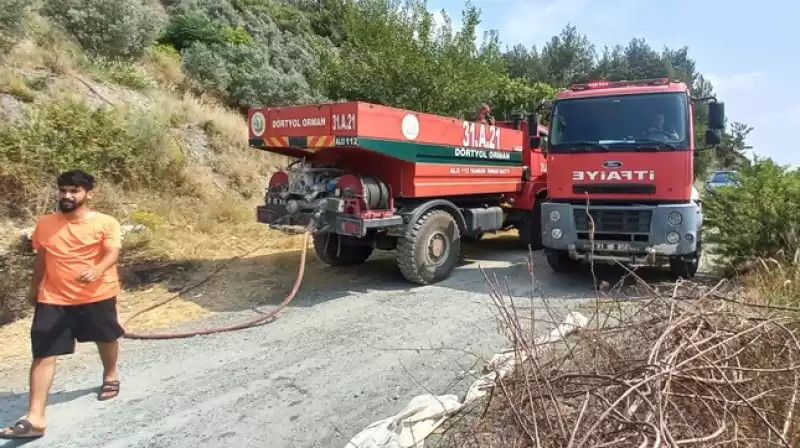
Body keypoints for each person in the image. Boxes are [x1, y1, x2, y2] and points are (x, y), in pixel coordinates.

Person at [0, 170, 125, 440]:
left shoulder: (106, 222)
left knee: (105, 337)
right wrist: (35, 289)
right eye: (63, 190)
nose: (67, 196)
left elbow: (112, 252)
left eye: (74, 191)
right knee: (43, 353)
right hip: (53, 298)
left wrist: (97, 269)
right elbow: (42, 258)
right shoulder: (45, 223)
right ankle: (35, 418)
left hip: (96, 294)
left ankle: (110, 374)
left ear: (89, 193)